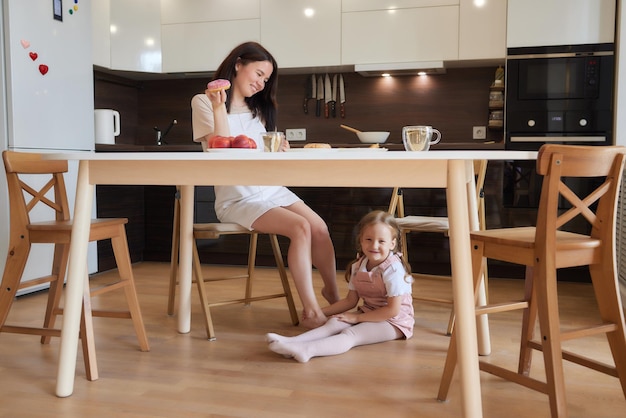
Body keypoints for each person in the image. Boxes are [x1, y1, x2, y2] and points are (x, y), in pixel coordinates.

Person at [191, 41, 339, 329]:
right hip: (238, 198)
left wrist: (277, 148)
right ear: (238, 65)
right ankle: (311, 311)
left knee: (319, 227)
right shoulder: (203, 102)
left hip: (270, 188)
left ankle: (333, 297)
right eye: (258, 74)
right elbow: (221, 150)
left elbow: (259, 155)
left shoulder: (258, 109)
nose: (261, 83)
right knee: (301, 228)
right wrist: (219, 107)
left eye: (266, 79)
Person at [266, 210, 414, 362]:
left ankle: (306, 351)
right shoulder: (358, 266)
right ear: (361, 240)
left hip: (394, 321)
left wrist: (357, 318)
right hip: (369, 311)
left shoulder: (394, 270)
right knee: (334, 322)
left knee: (351, 335)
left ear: (392, 243)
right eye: (368, 239)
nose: (374, 245)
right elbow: (350, 300)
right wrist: (319, 311)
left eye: (381, 241)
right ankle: (292, 342)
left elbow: (392, 310)